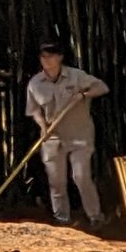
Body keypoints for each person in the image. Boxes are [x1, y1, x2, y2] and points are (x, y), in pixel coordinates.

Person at [25, 39, 109, 227]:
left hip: (80, 136)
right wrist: (43, 126)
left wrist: (83, 95)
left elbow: (102, 87)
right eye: (43, 56)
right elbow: (33, 110)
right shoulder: (35, 83)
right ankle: (62, 219)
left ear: (60, 57)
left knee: (80, 176)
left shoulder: (76, 76)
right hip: (52, 138)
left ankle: (95, 217)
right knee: (56, 182)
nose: (46, 60)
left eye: (50, 56)